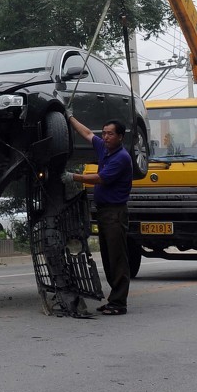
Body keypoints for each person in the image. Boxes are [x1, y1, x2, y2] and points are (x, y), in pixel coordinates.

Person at [65, 116, 133, 316]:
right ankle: (114, 300)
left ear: (120, 137)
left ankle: (119, 303)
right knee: (108, 256)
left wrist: (73, 177)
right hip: (104, 212)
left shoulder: (121, 157)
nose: (105, 137)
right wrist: (70, 117)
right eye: (104, 133)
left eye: (110, 133)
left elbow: (100, 178)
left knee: (117, 258)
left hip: (115, 213)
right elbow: (86, 133)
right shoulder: (104, 148)